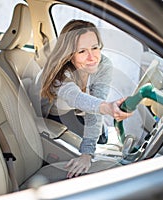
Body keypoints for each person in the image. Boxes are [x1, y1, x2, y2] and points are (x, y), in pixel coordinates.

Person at [39, 19, 132, 178]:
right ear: (69, 55)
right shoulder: (58, 73)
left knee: (101, 137)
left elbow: (95, 105)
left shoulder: (103, 64)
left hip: (78, 112)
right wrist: (86, 154)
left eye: (95, 48)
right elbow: (76, 98)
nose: (92, 57)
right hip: (53, 117)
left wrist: (88, 152)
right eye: (82, 51)